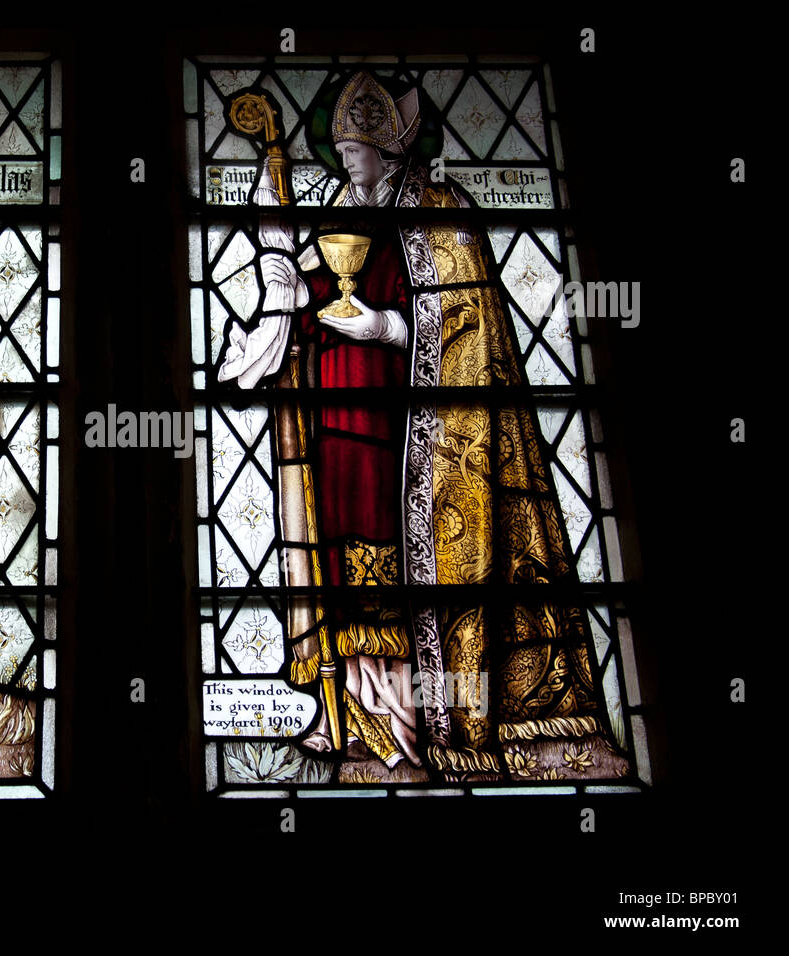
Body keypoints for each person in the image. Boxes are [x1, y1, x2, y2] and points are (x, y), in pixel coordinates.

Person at [219, 71, 627, 781]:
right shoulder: (335, 212)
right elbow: (311, 295)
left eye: (357, 150)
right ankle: (361, 723)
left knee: (415, 574)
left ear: (391, 148)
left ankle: (432, 722)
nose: (346, 162)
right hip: (337, 426)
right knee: (347, 574)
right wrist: (287, 291)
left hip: (419, 440)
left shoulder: (444, 211)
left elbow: (473, 322)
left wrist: (390, 327)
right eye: (341, 149)